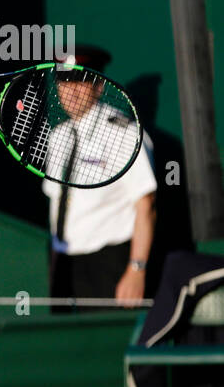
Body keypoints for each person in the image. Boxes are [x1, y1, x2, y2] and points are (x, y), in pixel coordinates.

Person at [44, 45, 157, 312]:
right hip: (63, 263)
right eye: (64, 80)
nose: (70, 89)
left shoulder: (125, 133)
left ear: (98, 86)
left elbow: (146, 206)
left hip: (110, 266)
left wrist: (136, 269)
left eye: (80, 81)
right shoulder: (57, 136)